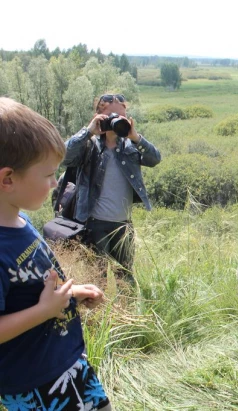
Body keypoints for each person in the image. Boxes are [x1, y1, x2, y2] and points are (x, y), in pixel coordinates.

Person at [0, 97, 109, 409]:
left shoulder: (20, 220)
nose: (54, 183)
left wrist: (70, 293)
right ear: (8, 179)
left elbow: (29, 287)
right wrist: (45, 311)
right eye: (48, 175)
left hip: (66, 362)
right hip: (35, 385)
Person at [63, 93, 161, 275]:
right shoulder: (89, 145)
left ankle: (127, 305)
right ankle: (102, 306)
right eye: (112, 116)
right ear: (99, 117)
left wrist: (136, 137)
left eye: (122, 116)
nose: (118, 121)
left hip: (123, 225)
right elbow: (63, 155)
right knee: (96, 278)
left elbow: (155, 159)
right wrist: (88, 131)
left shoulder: (130, 147)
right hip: (94, 224)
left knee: (126, 279)